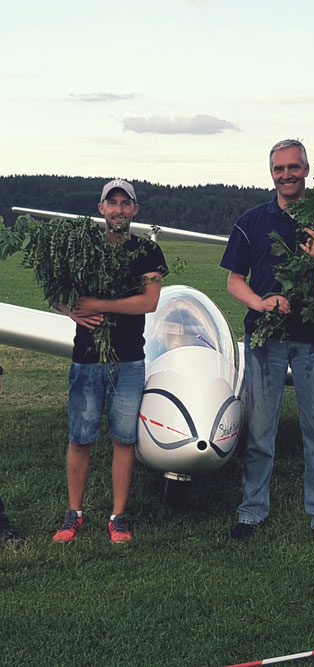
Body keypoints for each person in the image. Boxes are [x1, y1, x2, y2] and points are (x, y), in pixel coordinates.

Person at [220, 140, 314, 545]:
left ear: (307, 169)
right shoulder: (252, 220)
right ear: (271, 173)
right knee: (261, 431)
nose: (286, 175)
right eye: (279, 169)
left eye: (293, 167)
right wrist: (261, 304)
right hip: (266, 340)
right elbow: (233, 281)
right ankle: (252, 512)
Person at [53, 179, 168, 544]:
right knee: (80, 438)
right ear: (101, 209)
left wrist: (99, 305)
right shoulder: (82, 247)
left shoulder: (147, 252)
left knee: (123, 438)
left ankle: (118, 516)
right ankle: (74, 514)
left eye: (125, 203)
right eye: (111, 203)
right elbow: (54, 291)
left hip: (129, 359)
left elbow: (148, 302)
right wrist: (71, 310)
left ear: (135, 210)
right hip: (86, 358)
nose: (118, 209)